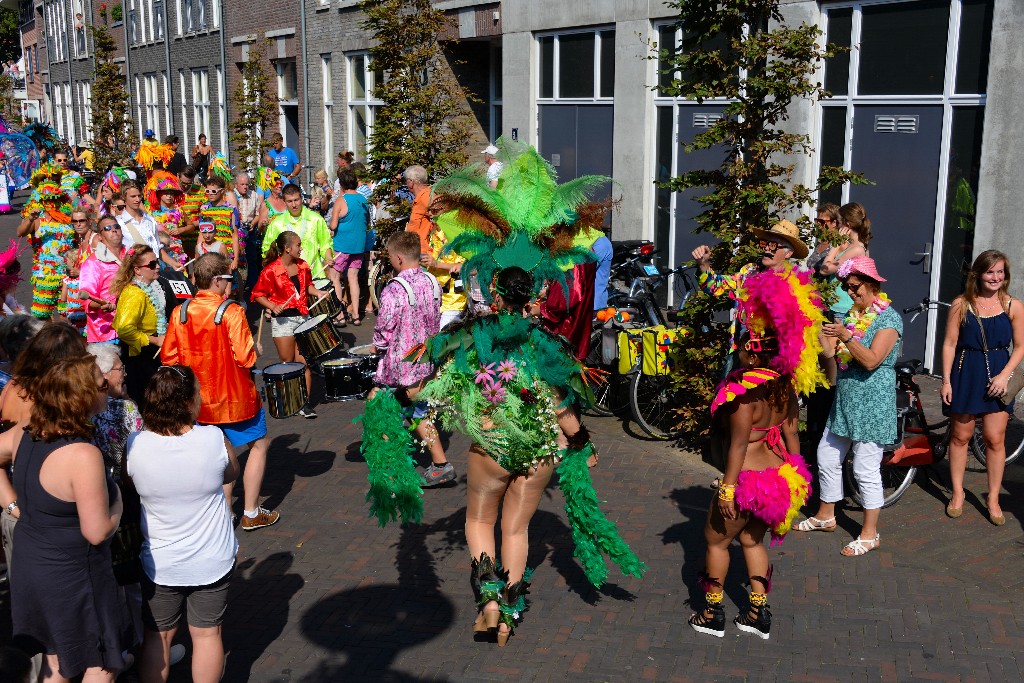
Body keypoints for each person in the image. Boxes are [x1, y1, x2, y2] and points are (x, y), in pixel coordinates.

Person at [687, 262, 821, 639]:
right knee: (752, 539)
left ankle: (712, 615)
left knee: (716, 540)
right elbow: (793, 435)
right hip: (778, 478)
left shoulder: (743, 393)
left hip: (745, 480)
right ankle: (757, 613)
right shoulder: (785, 386)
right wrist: (797, 476)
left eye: (744, 345)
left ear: (751, 353)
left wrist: (727, 488)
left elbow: (739, 445)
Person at [1, 354, 132, 680]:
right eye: (102, 385)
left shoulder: (25, 432)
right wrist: (118, 507)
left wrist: (13, 506)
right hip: (74, 574)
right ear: (84, 395)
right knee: (102, 663)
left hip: (32, 565)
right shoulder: (82, 454)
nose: (107, 388)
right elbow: (97, 531)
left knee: (56, 659)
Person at [128, 366, 239, 683]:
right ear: (188, 402)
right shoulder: (213, 438)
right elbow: (231, 474)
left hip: (160, 563)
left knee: (157, 637)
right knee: (206, 636)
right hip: (210, 560)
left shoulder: (136, 444)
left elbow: (128, 480)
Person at [161, 252, 280, 531]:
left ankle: (225, 513)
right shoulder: (232, 311)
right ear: (216, 280)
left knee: (219, 453)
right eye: (229, 278)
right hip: (237, 399)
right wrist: (256, 349)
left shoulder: (181, 311)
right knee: (258, 446)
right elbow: (246, 359)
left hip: (198, 402)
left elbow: (169, 358)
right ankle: (250, 511)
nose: (231, 284)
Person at [797, 257, 901, 556]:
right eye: (846, 286)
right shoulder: (854, 316)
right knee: (826, 454)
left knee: (865, 468)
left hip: (872, 402)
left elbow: (870, 360)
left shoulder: (888, 319)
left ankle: (870, 534)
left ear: (871, 284)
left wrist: (846, 335)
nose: (850, 292)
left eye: (854, 287)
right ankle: (826, 514)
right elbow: (833, 357)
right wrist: (819, 327)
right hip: (846, 399)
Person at [940, 250, 1024, 525]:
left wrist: (1004, 376)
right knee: (961, 436)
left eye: (1000, 272)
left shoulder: (1013, 306)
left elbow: (1021, 347)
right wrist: (947, 380)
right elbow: (950, 344)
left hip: (999, 374)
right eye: (990, 272)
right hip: (966, 372)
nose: (996, 277)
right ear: (978, 273)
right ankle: (957, 493)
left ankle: (993, 498)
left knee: (994, 438)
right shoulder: (961, 304)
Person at [368, 231, 451, 485]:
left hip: (400, 365)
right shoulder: (432, 281)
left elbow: (385, 328)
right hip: (423, 358)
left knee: (380, 409)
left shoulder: (395, 289)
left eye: (392, 258)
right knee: (416, 410)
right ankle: (440, 464)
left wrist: (377, 345)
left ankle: (392, 475)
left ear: (399, 258)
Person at [692, 219, 810, 360]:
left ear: (788, 253)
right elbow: (714, 286)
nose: (766, 249)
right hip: (741, 351)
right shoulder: (749, 272)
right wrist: (703, 264)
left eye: (773, 245)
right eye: (764, 244)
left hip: (772, 356)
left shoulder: (793, 284)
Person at [251, 231, 328, 418]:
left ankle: (305, 404)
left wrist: (317, 293)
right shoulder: (270, 270)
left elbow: (307, 286)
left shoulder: (303, 266)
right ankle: (290, 400)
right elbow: (257, 294)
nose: (301, 248)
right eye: (298, 245)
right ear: (287, 248)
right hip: (283, 321)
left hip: (302, 319)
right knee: (288, 364)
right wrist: (272, 306)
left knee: (305, 363)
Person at [111, 246, 167, 406]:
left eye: (157, 262)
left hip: (147, 352)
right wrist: (156, 341)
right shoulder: (134, 294)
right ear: (137, 270)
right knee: (145, 400)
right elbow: (124, 329)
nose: (157, 267)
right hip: (138, 356)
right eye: (151, 264)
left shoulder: (150, 287)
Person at [17, 180, 75, 319]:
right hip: (45, 274)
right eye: (47, 199)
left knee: (66, 313)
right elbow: (20, 232)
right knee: (42, 315)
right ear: (42, 201)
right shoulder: (38, 220)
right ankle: (46, 340)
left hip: (67, 273)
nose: (51, 203)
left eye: (54, 199)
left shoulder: (67, 220)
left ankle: (64, 340)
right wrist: (30, 219)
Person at [262, 183, 333, 279]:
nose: (294, 205)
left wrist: (328, 258)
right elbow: (267, 249)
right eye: (290, 201)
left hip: (314, 274)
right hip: (287, 278)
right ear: (284, 202)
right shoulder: (276, 224)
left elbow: (326, 244)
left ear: (302, 199)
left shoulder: (316, 219)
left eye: (296, 200)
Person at [328, 169, 371, 326]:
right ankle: (356, 314)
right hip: (358, 245)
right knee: (353, 278)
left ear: (342, 184)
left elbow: (333, 225)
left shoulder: (341, 200)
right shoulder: (363, 200)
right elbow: (367, 222)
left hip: (342, 245)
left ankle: (339, 314)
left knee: (335, 277)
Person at [117, 180, 185, 272]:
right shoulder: (119, 223)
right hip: (132, 272)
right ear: (123, 197)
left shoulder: (149, 219)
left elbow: (158, 248)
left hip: (153, 271)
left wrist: (173, 263)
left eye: (139, 196)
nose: (137, 200)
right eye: (133, 196)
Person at [817, 202, 869, 319]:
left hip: (843, 307)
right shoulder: (854, 245)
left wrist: (835, 246)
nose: (838, 227)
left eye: (839, 223)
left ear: (848, 225)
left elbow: (825, 270)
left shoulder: (856, 249)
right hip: (837, 304)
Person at [80, 215, 126, 344]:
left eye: (116, 226)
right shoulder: (92, 263)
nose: (114, 230)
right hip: (107, 333)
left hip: (133, 327)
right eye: (107, 228)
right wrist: (102, 305)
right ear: (100, 236)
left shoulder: (131, 255)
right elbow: (87, 301)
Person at [198, 176, 241, 275]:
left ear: (222, 191)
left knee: (229, 284)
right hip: (208, 253)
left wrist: (236, 259)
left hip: (226, 254)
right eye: (207, 191)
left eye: (213, 191)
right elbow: (201, 234)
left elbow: (235, 236)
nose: (210, 194)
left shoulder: (231, 210)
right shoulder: (204, 209)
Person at [146, 171, 190, 266]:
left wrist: (181, 229)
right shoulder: (150, 211)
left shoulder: (179, 210)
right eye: (166, 193)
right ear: (159, 194)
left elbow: (190, 225)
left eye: (171, 193)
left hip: (176, 250)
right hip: (159, 249)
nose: (169, 196)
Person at [234, 172, 263, 294]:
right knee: (237, 258)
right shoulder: (231, 195)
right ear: (236, 185)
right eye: (242, 184)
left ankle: (253, 286)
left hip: (249, 229)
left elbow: (258, 213)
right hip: (236, 230)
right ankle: (238, 285)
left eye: (247, 184)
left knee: (251, 258)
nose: (245, 187)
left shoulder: (254, 195)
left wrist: (252, 224)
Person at [57, 248, 87, 334]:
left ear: (73, 263)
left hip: (72, 313)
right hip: (84, 312)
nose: (66, 263)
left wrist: (62, 312)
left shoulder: (67, 280)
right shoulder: (84, 278)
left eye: (67, 261)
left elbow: (63, 298)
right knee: (85, 332)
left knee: (74, 333)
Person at [404, 165, 432, 253]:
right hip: (416, 250)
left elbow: (440, 217)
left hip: (423, 252)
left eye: (406, 181)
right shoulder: (423, 196)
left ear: (411, 182)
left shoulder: (426, 197)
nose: (406, 184)